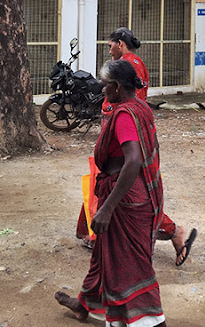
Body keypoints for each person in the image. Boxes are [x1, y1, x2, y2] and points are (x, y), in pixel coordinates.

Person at [56, 59, 167, 326]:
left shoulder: (125, 116)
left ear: (117, 87)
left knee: (128, 265)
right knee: (104, 255)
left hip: (125, 200)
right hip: (132, 193)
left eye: (105, 86)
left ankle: (152, 320)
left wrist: (106, 208)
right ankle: (86, 305)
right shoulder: (140, 106)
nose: (102, 90)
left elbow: (133, 161)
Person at [78, 27, 197, 267]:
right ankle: (97, 239)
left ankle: (173, 233)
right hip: (118, 148)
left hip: (124, 147)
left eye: (110, 45)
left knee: (133, 205)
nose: (104, 89)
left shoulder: (128, 99)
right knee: (103, 192)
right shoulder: (126, 68)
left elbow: (133, 153)